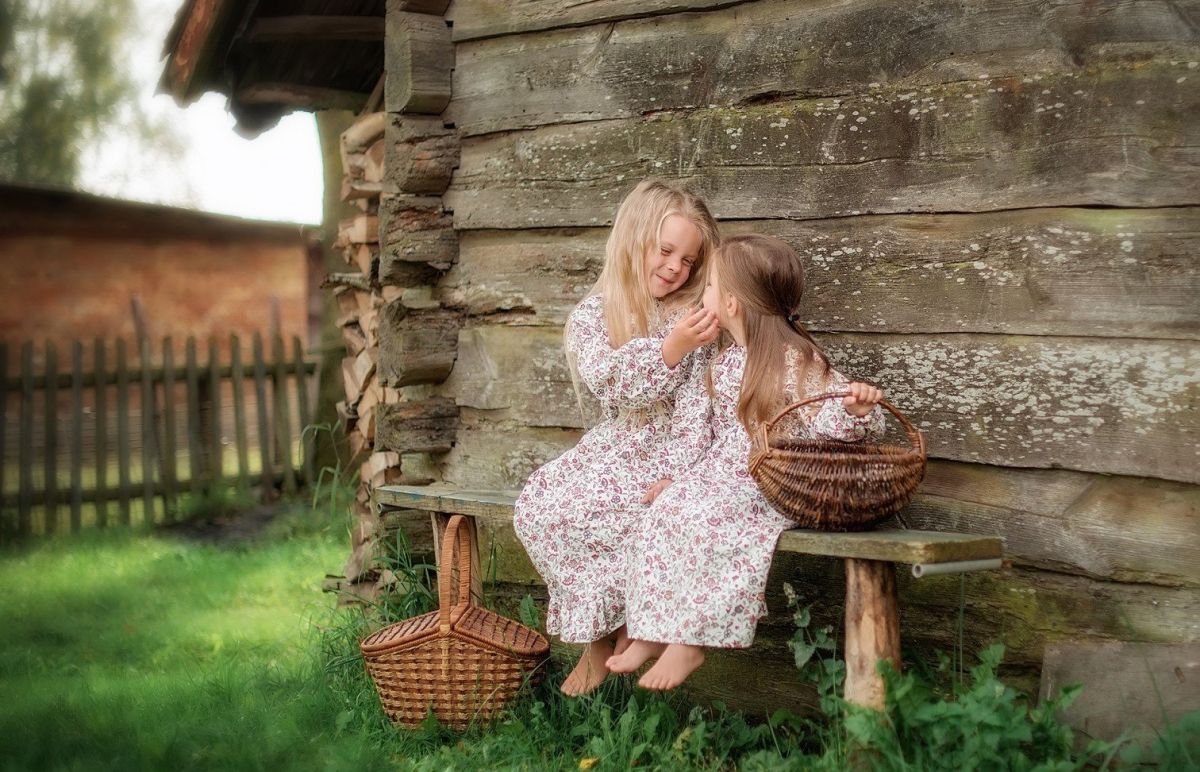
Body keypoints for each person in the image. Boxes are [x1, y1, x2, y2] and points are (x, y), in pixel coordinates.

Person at [608, 233, 887, 690]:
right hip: (719, 477)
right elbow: (695, 432)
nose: (705, 294)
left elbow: (830, 417)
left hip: (770, 483)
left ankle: (689, 641)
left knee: (711, 517)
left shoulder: (796, 360)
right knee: (663, 511)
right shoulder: (722, 363)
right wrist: (673, 478)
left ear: (732, 304)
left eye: (712, 286)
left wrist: (855, 409)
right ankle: (650, 628)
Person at [512, 178, 721, 695]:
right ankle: (600, 639)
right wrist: (666, 350)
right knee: (541, 506)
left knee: (635, 515)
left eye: (689, 260)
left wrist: (680, 473)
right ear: (633, 240)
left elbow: (701, 403)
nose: (676, 267)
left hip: (673, 452)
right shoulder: (596, 313)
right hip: (616, 445)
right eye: (666, 251)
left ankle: (629, 629)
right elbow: (611, 383)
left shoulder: (694, 316)